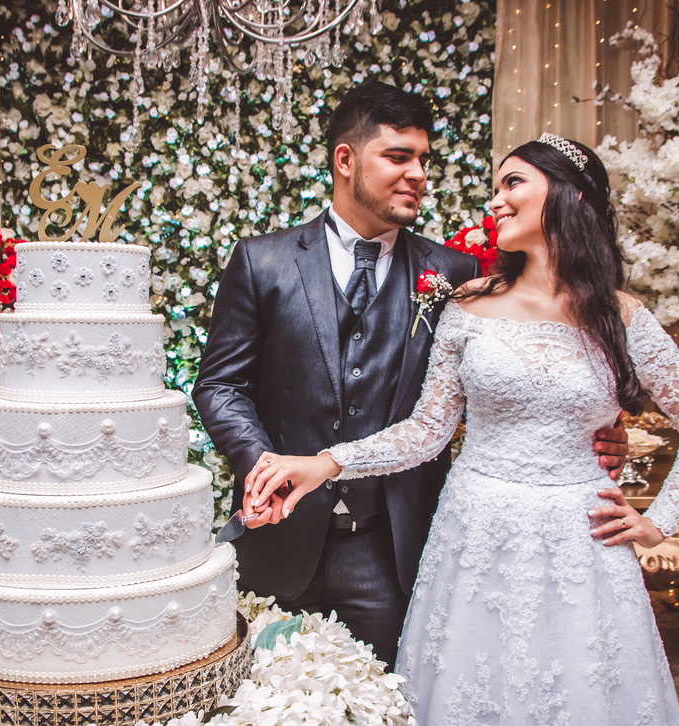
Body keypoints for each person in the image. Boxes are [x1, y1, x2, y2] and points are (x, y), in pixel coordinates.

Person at [246, 135, 679, 726]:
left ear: (570, 195)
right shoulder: (468, 303)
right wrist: (326, 463)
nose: (496, 199)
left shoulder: (621, 316)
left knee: (576, 696)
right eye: (496, 186)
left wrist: (658, 521)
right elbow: (429, 431)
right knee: (473, 693)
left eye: (514, 182)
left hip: (580, 538)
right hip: (477, 532)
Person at [193, 83, 629, 668]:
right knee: (265, 706)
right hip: (280, 537)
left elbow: (523, 369)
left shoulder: (456, 273)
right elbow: (220, 385)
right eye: (399, 157)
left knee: (398, 710)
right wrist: (263, 466)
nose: (419, 174)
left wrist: (593, 427)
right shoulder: (262, 260)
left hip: (395, 546)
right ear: (345, 160)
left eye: (424, 159)